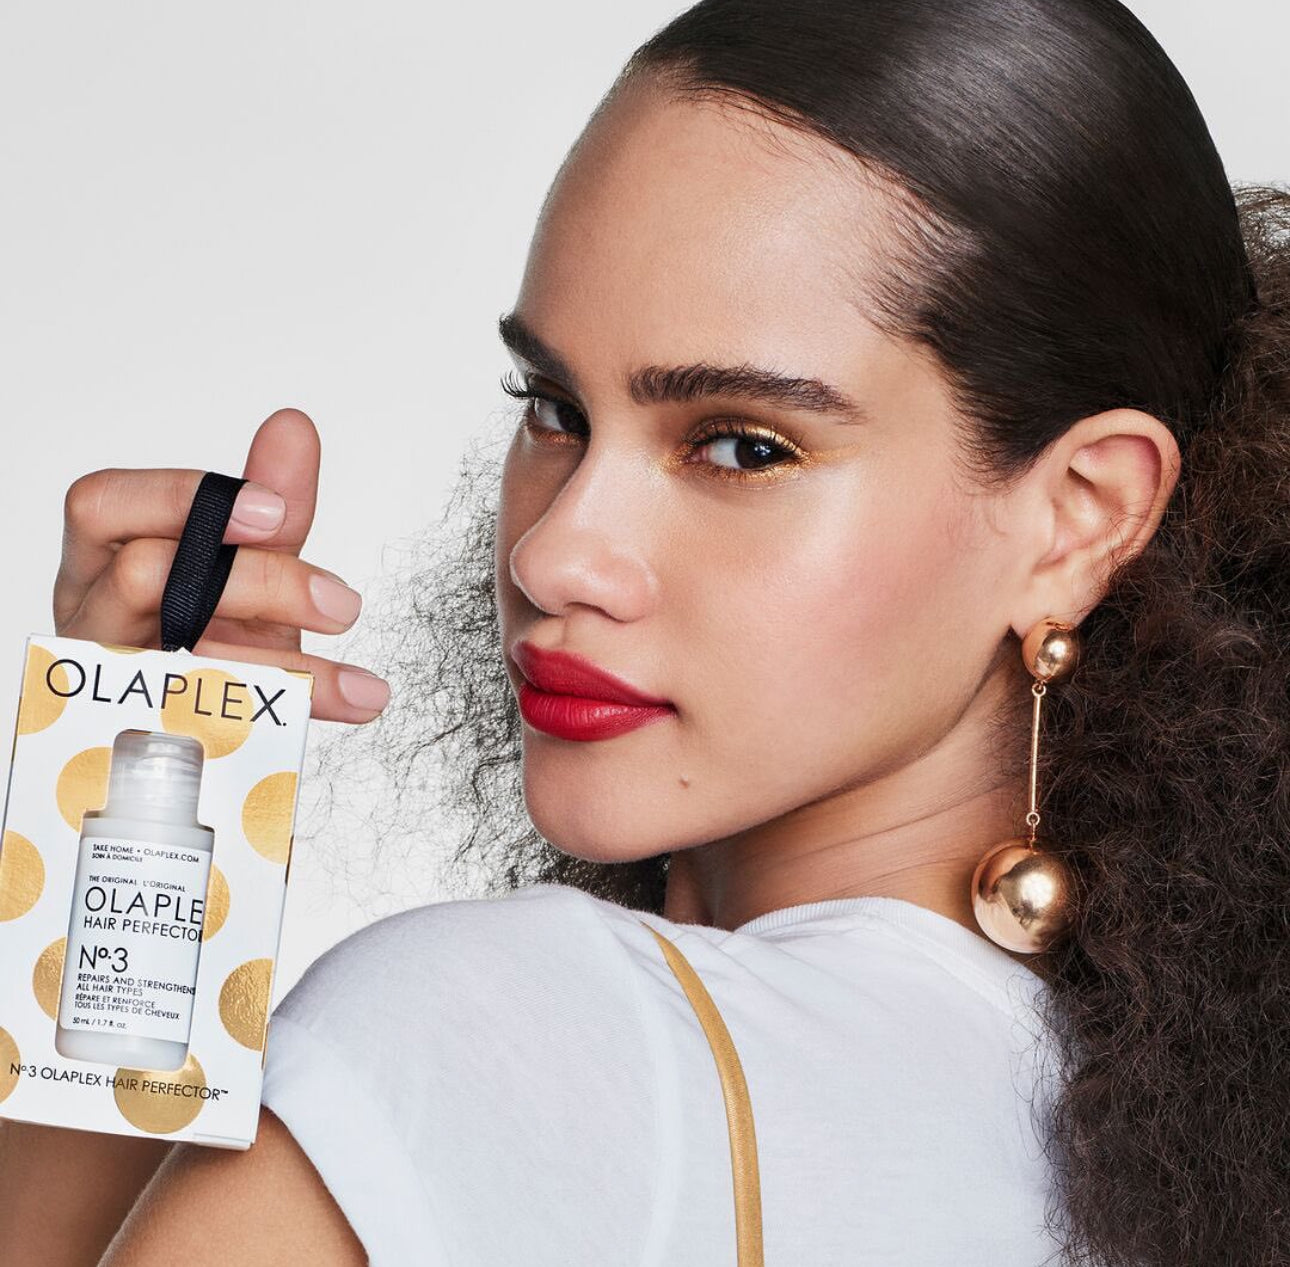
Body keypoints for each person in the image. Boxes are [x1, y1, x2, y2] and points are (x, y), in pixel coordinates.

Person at [2, 0, 1285, 1262]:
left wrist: (122, 833)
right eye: (554, 407)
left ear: (1079, 518)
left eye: (743, 447)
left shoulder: (505, 1036)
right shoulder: (1180, 1146)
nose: (550, 552)